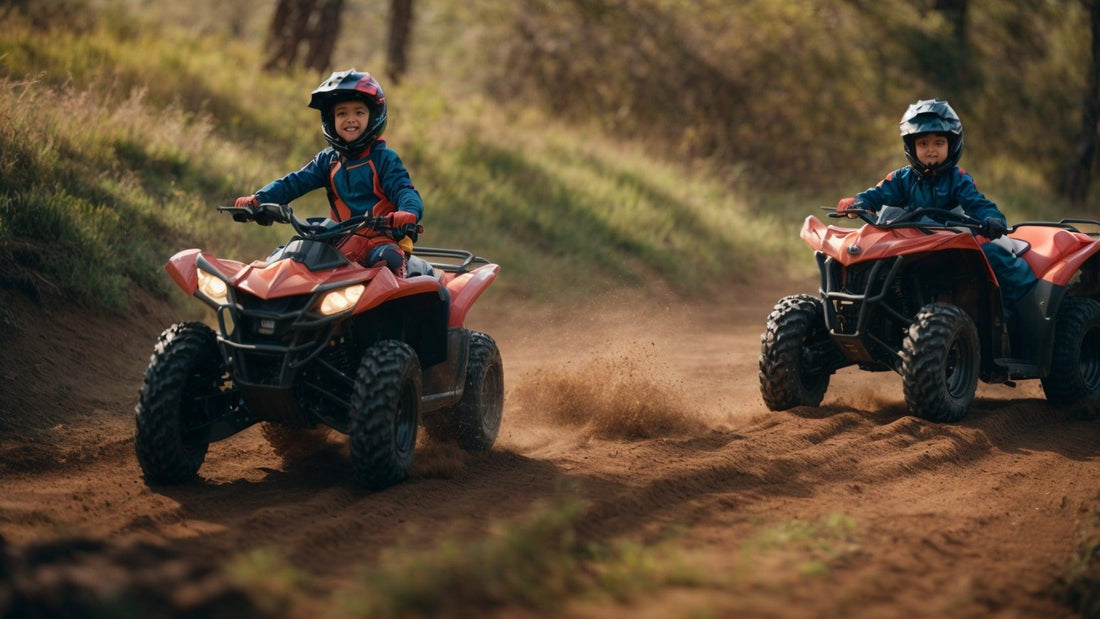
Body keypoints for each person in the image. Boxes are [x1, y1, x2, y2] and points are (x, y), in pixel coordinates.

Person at [836, 98, 1037, 308]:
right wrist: (859, 202)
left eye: (939, 143)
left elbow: (976, 202)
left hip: (954, 241)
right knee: (868, 255)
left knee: (995, 255)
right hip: (912, 244)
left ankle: (1014, 313)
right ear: (911, 147)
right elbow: (878, 194)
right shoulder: (901, 178)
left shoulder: (958, 178)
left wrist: (991, 218)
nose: (931, 150)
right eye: (923, 143)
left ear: (952, 144)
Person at [235, 69, 423, 276]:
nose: (350, 119)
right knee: (284, 259)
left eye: (359, 112)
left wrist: (408, 212)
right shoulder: (327, 160)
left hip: (381, 241)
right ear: (330, 120)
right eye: (342, 113)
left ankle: (393, 305)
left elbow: (405, 190)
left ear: (373, 117)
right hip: (340, 240)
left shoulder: (385, 159)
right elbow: (294, 182)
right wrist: (259, 199)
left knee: (389, 260)